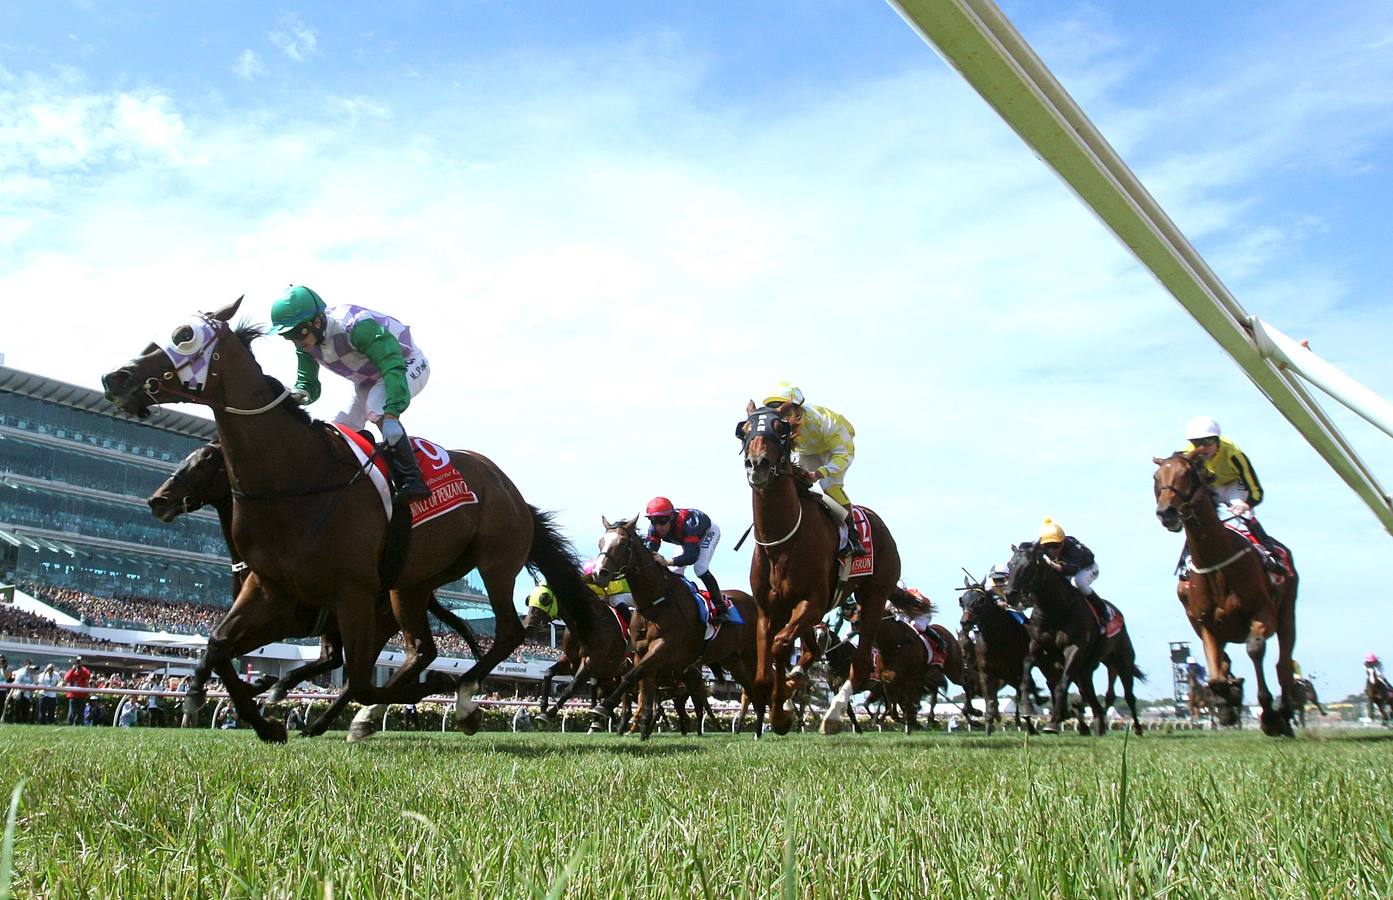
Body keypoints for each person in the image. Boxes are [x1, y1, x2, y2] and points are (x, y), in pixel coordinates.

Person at [269, 284, 431, 501]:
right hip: (368, 381)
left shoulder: (355, 326)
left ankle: (412, 480)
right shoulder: (306, 342)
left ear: (316, 322)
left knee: (378, 408)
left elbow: (391, 364)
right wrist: (301, 394)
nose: (295, 341)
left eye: (297, 333)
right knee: (339, 427)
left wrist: (392, 411)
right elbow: (308, 383)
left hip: (404, 364)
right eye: (288, 336)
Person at [763, 382, 865, 557]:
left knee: (829, 486)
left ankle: (852, 536)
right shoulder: (780, 426)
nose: (779, 415)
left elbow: (844, 455)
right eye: (773, 409)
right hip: (806, 452)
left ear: (798, 409)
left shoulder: (826, 421)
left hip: (834, 450)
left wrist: (818, 473)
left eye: (784, 410)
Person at [1183, 416, 1284, 573]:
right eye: (1196, 443)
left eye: (1208, 442)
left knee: (1244, 516)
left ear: (1217, 440)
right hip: (1211, 487)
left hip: (1233, 486)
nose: (1202, 448)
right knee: (1197, 519)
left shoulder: (1233, 454)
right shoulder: (1187, 455)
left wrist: (1246, 504)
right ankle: (1185, 562)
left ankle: (1270, 553)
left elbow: (1256, 490)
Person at [642, 497, 725, 620]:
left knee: (700, 568)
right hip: (687, 541)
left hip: (707, 533)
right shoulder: (654, 528)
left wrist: (668, 561)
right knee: (674, 572)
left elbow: (692, 556)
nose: (658, 526)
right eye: (653, 521)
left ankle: (720, 606)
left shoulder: (688, 523)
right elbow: (649, 553)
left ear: (670, 517)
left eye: (662, 521)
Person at [1038, 518, 1109, 624]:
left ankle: (1103, 609)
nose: (1052, 550)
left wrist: (1053, 565)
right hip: (1066, 571)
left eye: (1055, 546)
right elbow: (1025, 547)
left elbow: (1072, 569)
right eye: (1048, 546)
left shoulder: (1072, 548)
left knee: (1077, 582)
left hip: (1087, 569)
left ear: (1063, 543)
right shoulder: (1041, 545)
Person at [63, 657, 92, 726]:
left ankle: (79, 724)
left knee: (81, 712)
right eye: (77, 663)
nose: (78, 665)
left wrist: (81, 669)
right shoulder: (71, 671)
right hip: (73, 695)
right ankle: (70, 724)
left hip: (82, 695)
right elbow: (66, 678)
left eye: (79, 662)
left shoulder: (84, 670)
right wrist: (73, 669)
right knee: (72, 711)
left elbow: (88, 676)